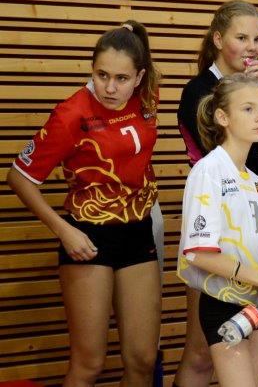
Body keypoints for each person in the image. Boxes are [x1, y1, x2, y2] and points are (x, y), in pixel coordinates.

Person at [7, 21, 162, 386]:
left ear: (139, 77)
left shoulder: (147, 95)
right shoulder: (70, 114)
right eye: (101, 74)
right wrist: (64, 231)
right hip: (89, 238)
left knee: (142, 360)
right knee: (89, 364)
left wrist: (134, 32)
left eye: (122, 78)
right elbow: (18, 177)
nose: (110, 87)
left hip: (138, 232)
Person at [174, 0, 258, 387]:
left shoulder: (253, 180)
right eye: (242, 38)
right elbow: (199, 253)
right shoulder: (210, 169)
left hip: (257, 287)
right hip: (222, 288)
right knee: (200, 356)